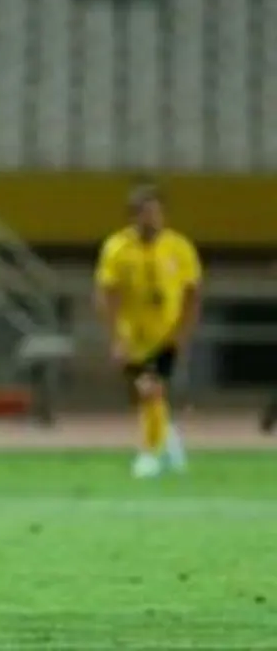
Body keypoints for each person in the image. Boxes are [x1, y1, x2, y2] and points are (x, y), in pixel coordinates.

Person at [94, 185, 202, 478]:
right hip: (133, 336)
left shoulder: (179, 247)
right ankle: (171, 443)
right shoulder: (117, 248)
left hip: (166, 334)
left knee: (150, 390)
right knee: (148, 395)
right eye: (145, 213)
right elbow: (106, 293)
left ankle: (149, 454)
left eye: (156, 212)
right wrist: (116, 337)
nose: (152, 218)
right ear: (133, 216)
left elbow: (193, 294)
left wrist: (182, 333)